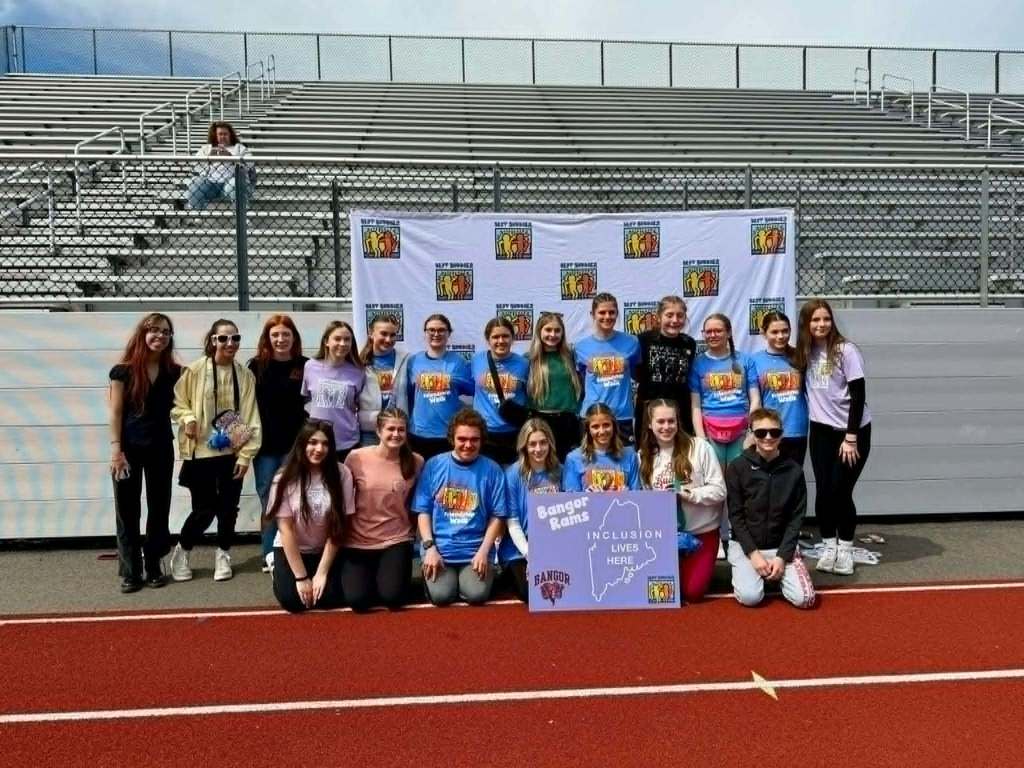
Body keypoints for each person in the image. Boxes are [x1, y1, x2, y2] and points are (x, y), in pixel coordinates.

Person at [169, 319, 261, 583]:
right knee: (204, 510)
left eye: (235, 338)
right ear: (212, 340)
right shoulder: (195, 371)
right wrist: (187, 418)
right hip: (200, 453)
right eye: (223, 338)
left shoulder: (244, 375)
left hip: (231, 453)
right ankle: (183, 550)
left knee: (229, 508)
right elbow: (177, 403)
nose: (229, 343)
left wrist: (245, 454)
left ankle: (223, 553)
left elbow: (251, 416)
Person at [794, 299, 872, 576]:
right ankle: (829, 546)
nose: (821, 324)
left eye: (825, 319)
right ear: (806, 324)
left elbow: (859, 394)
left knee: (841, 491)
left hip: (851, 432)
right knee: (825, 492)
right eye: (815, 320)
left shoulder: (845, 351)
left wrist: (851, 437)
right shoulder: (805, 352)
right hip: (821, 432)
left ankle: (846, 550)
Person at [108, 313, 181, 592]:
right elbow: (115, 413)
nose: (159, 336)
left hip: (161, 448)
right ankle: (131, 570)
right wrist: (116, 451)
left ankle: (153, 564)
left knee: (159, 507)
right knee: (127, 511)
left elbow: (190, 403)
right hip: (127, 451)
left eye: (165, 332)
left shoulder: (175, 372)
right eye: (154, 330)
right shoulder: (122, 371)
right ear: (142, 333)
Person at [411, 409, 508, 606]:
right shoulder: (434, 465)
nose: (468, 445)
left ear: (482, 440)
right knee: (442, 597)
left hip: (475, 549)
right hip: (441, 549)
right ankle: (439, 579)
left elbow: (497, 516)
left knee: (476, 594)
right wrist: (430, 547)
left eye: (474, 439)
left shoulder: (492, 470)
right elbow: (423, 511)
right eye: (462, 439)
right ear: (452, 438)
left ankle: (468, 579)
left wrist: (483, 551)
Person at [725, 408, 815, 609]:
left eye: (774, 432)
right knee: (751, 598)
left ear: (781, 435)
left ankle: (778, 573)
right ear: (751, 433)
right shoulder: (737, 468)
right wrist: (754, 555)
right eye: (761, 432)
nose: (768, 437)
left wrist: (783, 556)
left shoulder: (794, 471)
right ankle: (755, 575)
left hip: (780, 546)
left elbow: (796, 518)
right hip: (747, 547)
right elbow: (735, 517)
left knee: (805, 600)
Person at [637, 398, 726, 603]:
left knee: (692, 592)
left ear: (678, 421)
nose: (666, 427)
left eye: (671, 421)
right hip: (664, 537)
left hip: (701, 533)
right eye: (660, 422)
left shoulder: (700, 448)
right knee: (661, 594)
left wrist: (689, 494)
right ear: (650, 424)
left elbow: (720, 491)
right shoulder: (643, 456)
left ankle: (695, 566)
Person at [343, 408, 424, 611]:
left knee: (392, 598)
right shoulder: (356, 458)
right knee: (358, 602)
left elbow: (418, 504)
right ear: (378, 431)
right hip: (358, 541)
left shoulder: (416, 462)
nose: (396, 434)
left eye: (401, 430)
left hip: (396, 539)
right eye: (390, 429)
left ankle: (392, 577)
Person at [267, 421, 353, 613]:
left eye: (325, 444)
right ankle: (276, 567)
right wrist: (301, 577)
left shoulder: (343, 474)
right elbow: (285, 529)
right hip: (293, 549)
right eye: (313, 442)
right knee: (293, 603)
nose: (319, 449)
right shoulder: (283, 478)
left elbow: (338, 526)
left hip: (326, 549)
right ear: (302, 444)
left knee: (332, 599)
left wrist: (322, 572)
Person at [248, 314, 308, 573]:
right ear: (267, 339)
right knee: (270, 502)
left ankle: (296, 551)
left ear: (294, 337)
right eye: (275, 335)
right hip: (266, 448)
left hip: (296, 446)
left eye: (286, 334)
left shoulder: (306, 365)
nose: (281, 339)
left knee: (297, 499)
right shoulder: (255, 367)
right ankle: (269, 554)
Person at [393, 313, 474, 461]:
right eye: (431, 330)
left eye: (441, 330)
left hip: (448, 434)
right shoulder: (413, 361)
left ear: (449, 333)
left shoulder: (458, 362)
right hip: (418, 434)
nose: (436, 334)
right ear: (425, 333)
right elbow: (408, 396)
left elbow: (472, 391)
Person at [499, 419, 562, 602]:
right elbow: (513, 521)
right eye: (532, 444)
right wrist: (530, 554)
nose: (538, 449)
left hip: (553, 542)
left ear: (550, 443)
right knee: (535, 593)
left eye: (543, 443)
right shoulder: (512, 474)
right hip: (521, 546)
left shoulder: (560, 471)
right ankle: (509, 573)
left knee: (560, 589)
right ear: (524, 446)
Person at [689, 313, 761, 470]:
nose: (713, 335)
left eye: (718, 330)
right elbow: (695, 405)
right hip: (710, 431)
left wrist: (751, 431)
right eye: (708, 332)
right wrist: (701, 438)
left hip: (741, 431)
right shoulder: (697, 363)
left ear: (728, 333)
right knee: (716, 484)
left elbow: (755, 399)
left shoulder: (745, 360)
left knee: (738, 481)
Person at [574, 293, 642, 444]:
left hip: (622, 416)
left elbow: (639, 375)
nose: (607, 316)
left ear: (617, 313)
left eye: (611, 312)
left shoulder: (632, 342)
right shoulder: (580, 347)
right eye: (602, 312)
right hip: (592, 416)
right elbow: (579, 381)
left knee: (623, 463)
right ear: (593, 314)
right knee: (592, 464)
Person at [750, 311, 809, 467]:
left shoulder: (800, 357)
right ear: (764, 333)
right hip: (768, 433)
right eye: (774, 332)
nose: (781, 336)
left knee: (791, 481)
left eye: (785, 331)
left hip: (796, 430)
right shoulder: (754, 361)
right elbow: (755, 401)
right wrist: (753, 430)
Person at [303, 321, 366, 463]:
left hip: (347, 441)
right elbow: (306, 400)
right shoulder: (310, 366)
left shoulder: (359, 371)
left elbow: (359, 404)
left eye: (347, 339)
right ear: (326, 341)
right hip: (318, 443)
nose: (342, 343)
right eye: (337, 339)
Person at [635, 296, 697, 439]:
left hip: (680, 413)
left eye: (680, 316)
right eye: (669, 315)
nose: (675, 320)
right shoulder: (643, 340)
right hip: (649, 411)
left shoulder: (689, 343)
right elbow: (636, 373)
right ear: (659, 316)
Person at [526, 310, 582, 462]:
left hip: (568, 421)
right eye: (548, 330)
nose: (553, 334)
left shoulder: (571, 356)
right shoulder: (529, 360)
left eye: (557, 330)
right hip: (540, 420)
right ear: (539, 331)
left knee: (567, 464)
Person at [472, 317, 530, 465]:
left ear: (513, 338)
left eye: (505, 336)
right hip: (485, 433)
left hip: (514, 432)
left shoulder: (524, 364)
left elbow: (531, 394)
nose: (501, 341)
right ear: (488, 339)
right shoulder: (476, 361)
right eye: (495, 337)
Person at [563, 403, 642, 492]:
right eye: (595, 427)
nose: (602, 431)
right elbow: (571, 500)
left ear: (614, 426)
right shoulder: (573, 458)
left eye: (606, 425)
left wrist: (627, 494)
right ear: (588, 430)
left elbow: (637, 495)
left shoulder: (630, 455)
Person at [357, 314, 409, 447]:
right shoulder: (357, 363)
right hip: (369, 432)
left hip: (397, 430)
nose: (388, 339)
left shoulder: (407, 360)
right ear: (371, 333)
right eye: (383, 334)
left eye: (393, 335)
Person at [185, 121, 253, 210]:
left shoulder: (240, 148)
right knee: (195, 183)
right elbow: (195, 164)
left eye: (225, 134)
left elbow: (250, 163)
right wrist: (208, 157)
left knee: (235, 184)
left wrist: (231, 157)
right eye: (220, 134)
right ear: (215, 135)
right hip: (209, 183)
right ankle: (197, 216)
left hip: (230, 182)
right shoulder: (206, 148)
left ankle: (243, 217)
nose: (223, 136)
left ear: (230, 135)